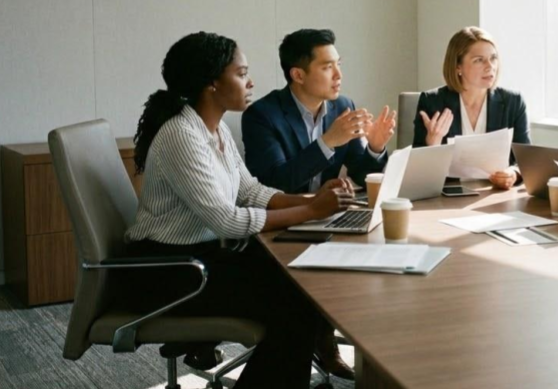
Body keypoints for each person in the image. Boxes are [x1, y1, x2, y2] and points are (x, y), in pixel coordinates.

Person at [124, 32, 355, 388]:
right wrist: (311, 212)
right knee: (296, 304)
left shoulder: (213, 130)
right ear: (212, 83)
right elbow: (227, 219)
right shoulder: (182, 135)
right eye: (241, 73)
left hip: (204, 258)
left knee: (303, 284)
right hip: (171, 272)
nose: (250, 82)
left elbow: (249, 190)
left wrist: (313, 201)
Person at [242, 28, 396, 194]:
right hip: (286, 216)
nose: (338, 75)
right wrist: (327, 142)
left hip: (329, 213)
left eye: (339, 65)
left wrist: (375, 147)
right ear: (298, 75)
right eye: (328, 67)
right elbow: (274, 184)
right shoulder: (261, 115)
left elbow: (360, 176)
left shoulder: (342, 107)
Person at [413, 27, 530, 190]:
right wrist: (433, 142)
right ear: (457, 67)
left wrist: (512, 173)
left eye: (493, 58)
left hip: (496, 196)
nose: (490, 67)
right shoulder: (433, 102)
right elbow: (417, 172)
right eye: (479, 60)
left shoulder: (513, 102)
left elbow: (525, 160)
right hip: (447, 196)